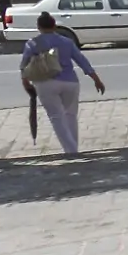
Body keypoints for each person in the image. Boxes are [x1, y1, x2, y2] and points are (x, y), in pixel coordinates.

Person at [20, 12, 105, 156]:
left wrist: (25, 82)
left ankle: (71, 150)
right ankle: (73, 149)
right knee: (70, 115)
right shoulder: (66, 42)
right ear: (54, 25)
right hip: (70, 81)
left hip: (45, 82)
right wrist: (96, 79)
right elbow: (81, 60)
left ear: (38, 27)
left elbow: (24, 65)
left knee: (56, 117)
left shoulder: (32, 43)